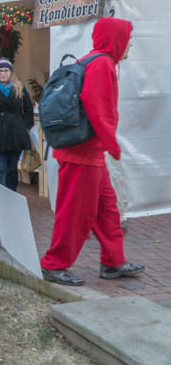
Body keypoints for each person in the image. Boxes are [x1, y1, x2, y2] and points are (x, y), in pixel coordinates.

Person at [40, 17, 144, 286]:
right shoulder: (103, 63)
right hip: (83, 155)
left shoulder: (93, 59)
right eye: (128, 38)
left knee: (107, 210)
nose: (130, 44)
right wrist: (112, 143)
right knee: (76, 213)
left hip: (87, 153)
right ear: (116, 38)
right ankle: (54, 265)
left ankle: (113, 261)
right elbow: (97, 106)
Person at [0, 58, 34, 192]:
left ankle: (10, 198)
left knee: (11, 167)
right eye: (0, 71)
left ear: (11, 72)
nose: (3, 73)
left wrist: (24, 126)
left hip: (16, 133)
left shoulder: (19, 88)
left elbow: (28, 109)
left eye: (6, 70)